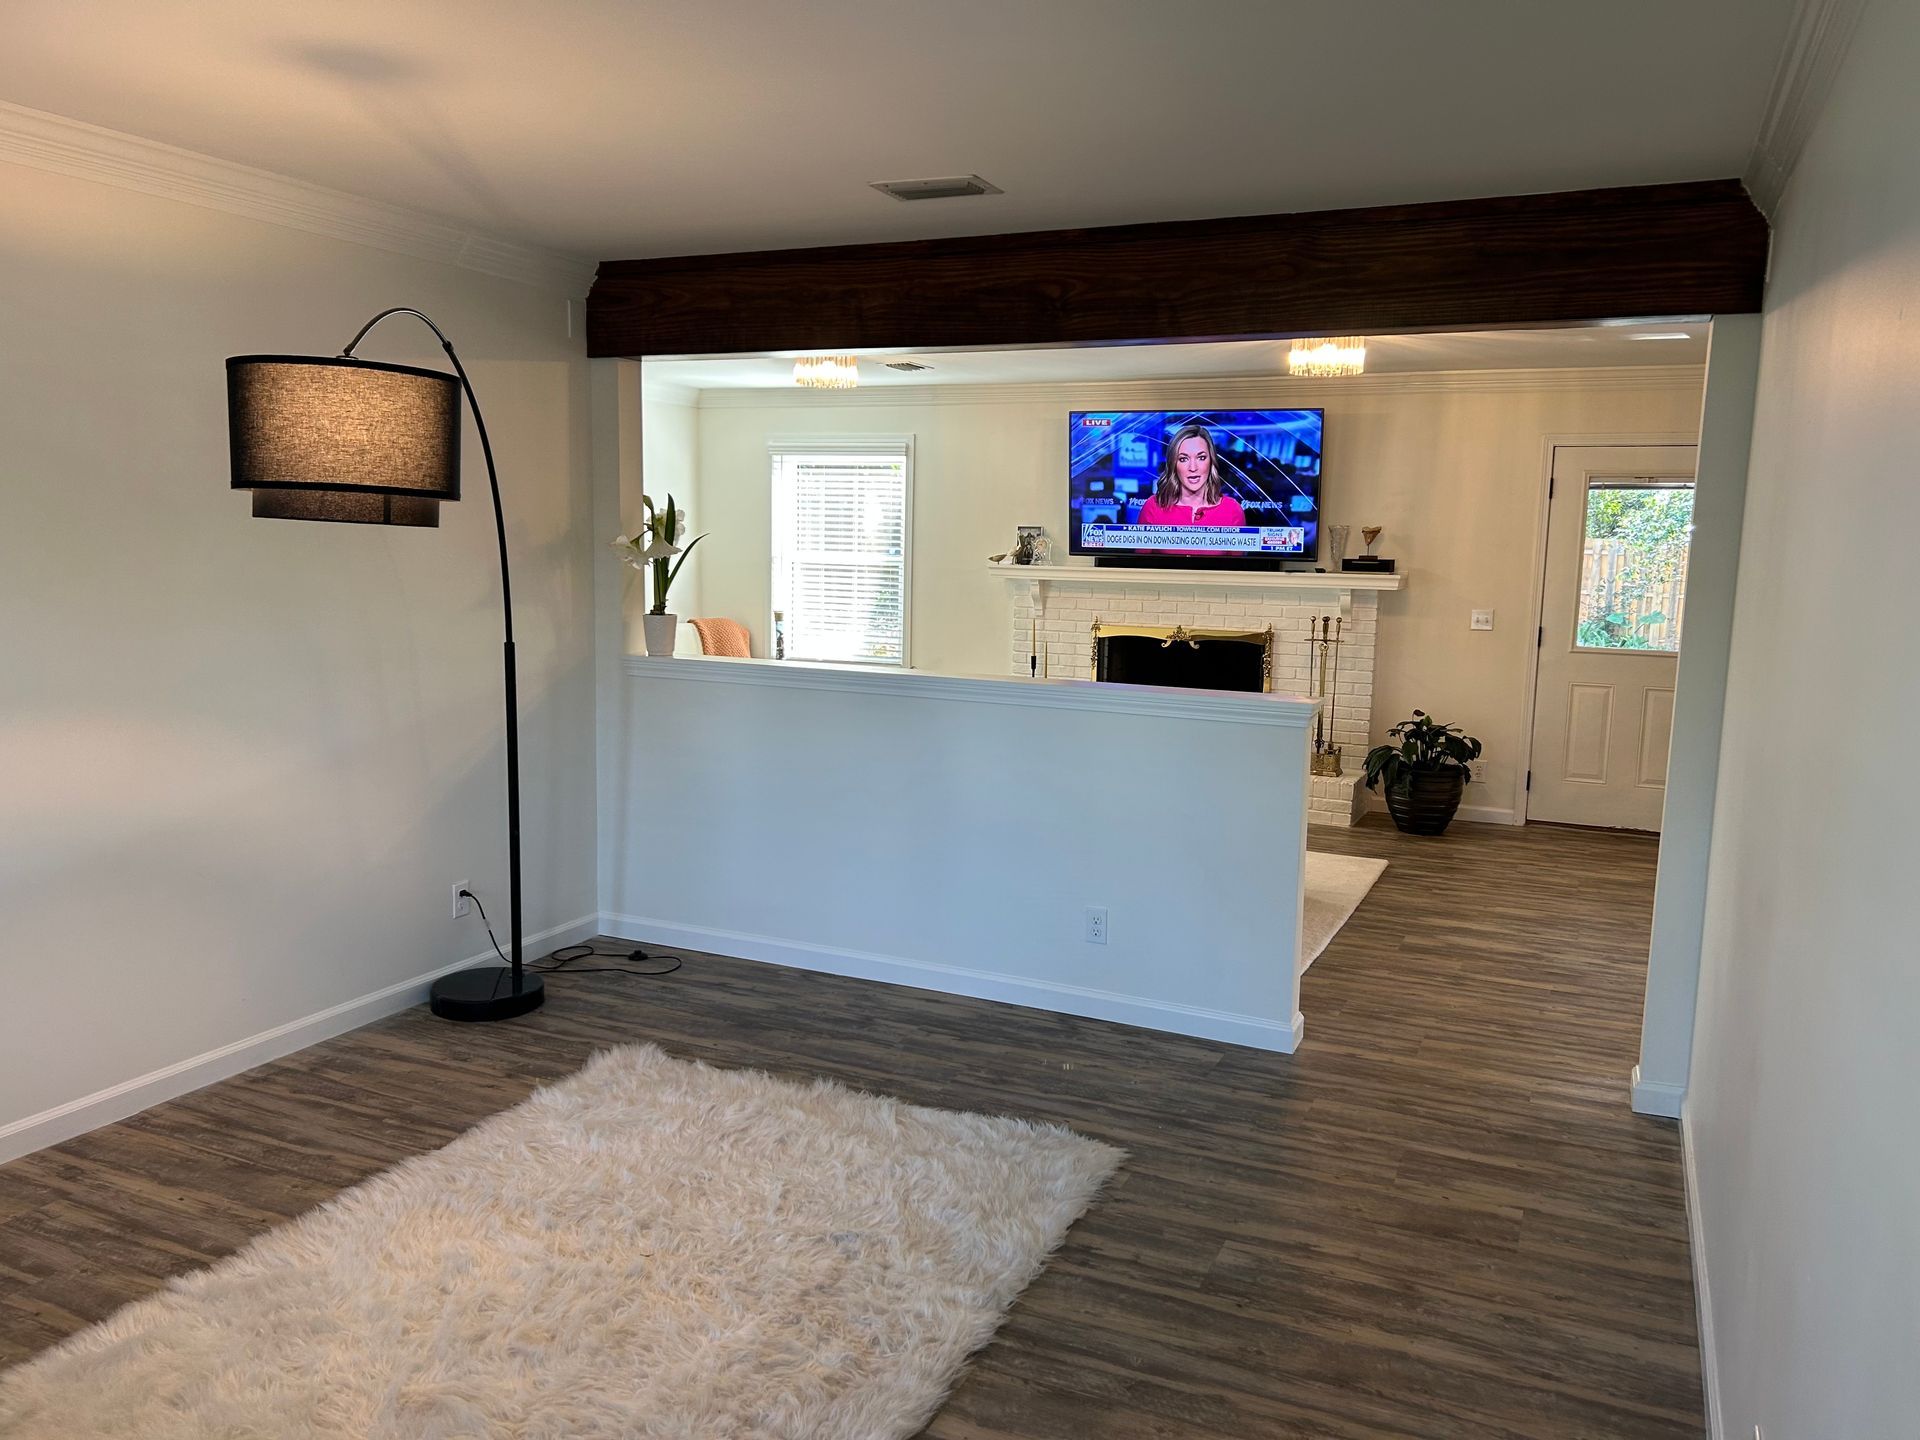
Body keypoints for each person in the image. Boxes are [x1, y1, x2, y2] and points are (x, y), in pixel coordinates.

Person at [1135, 425, 1246, 530]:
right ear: (1173, 464)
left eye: (1201, 458)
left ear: (1211, 461)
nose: (1193, 468)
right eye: (1183, 459)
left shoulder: (1232, 510)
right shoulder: (1153, 507)